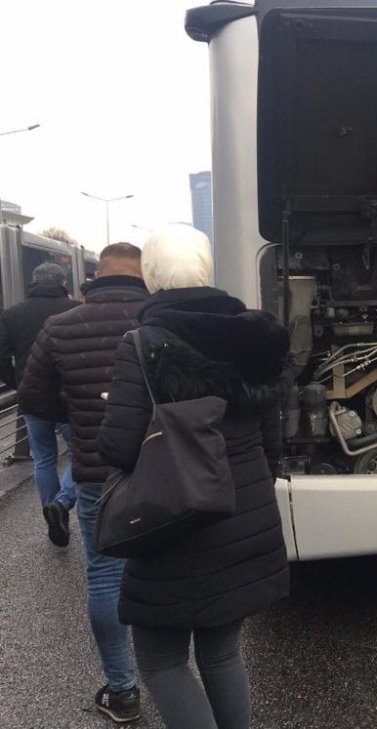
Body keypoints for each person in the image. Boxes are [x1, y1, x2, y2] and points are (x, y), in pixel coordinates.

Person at [97, 224, 290, 729]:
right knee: (222, 654)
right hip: (244, 519)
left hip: (175, 527)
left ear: (151, 277)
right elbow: (272, 445)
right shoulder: (256, 337)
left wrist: (115, 408)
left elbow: (118, 448)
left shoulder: (143, 343)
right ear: (207, 269)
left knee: (161, 660)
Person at [18, 243, 147, 722]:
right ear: (145, 276)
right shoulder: (163, 319)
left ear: (95, 277)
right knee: (166, 567)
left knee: (105, 575)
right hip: (164, 469)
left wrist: (82, 412)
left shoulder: (61, 325)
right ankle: (172, 674)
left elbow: (34, 400)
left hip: (96, 471)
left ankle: (123, 690)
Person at [0, 262, 79, 545]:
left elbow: (1, 357)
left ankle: (52, 513)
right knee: (79, 454)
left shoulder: (12, 313)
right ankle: (62, 503)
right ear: (62, 282)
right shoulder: (75, 309)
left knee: (44, 459)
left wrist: (18, 384)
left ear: (33, 281)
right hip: (70, 397)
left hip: (32, 399)